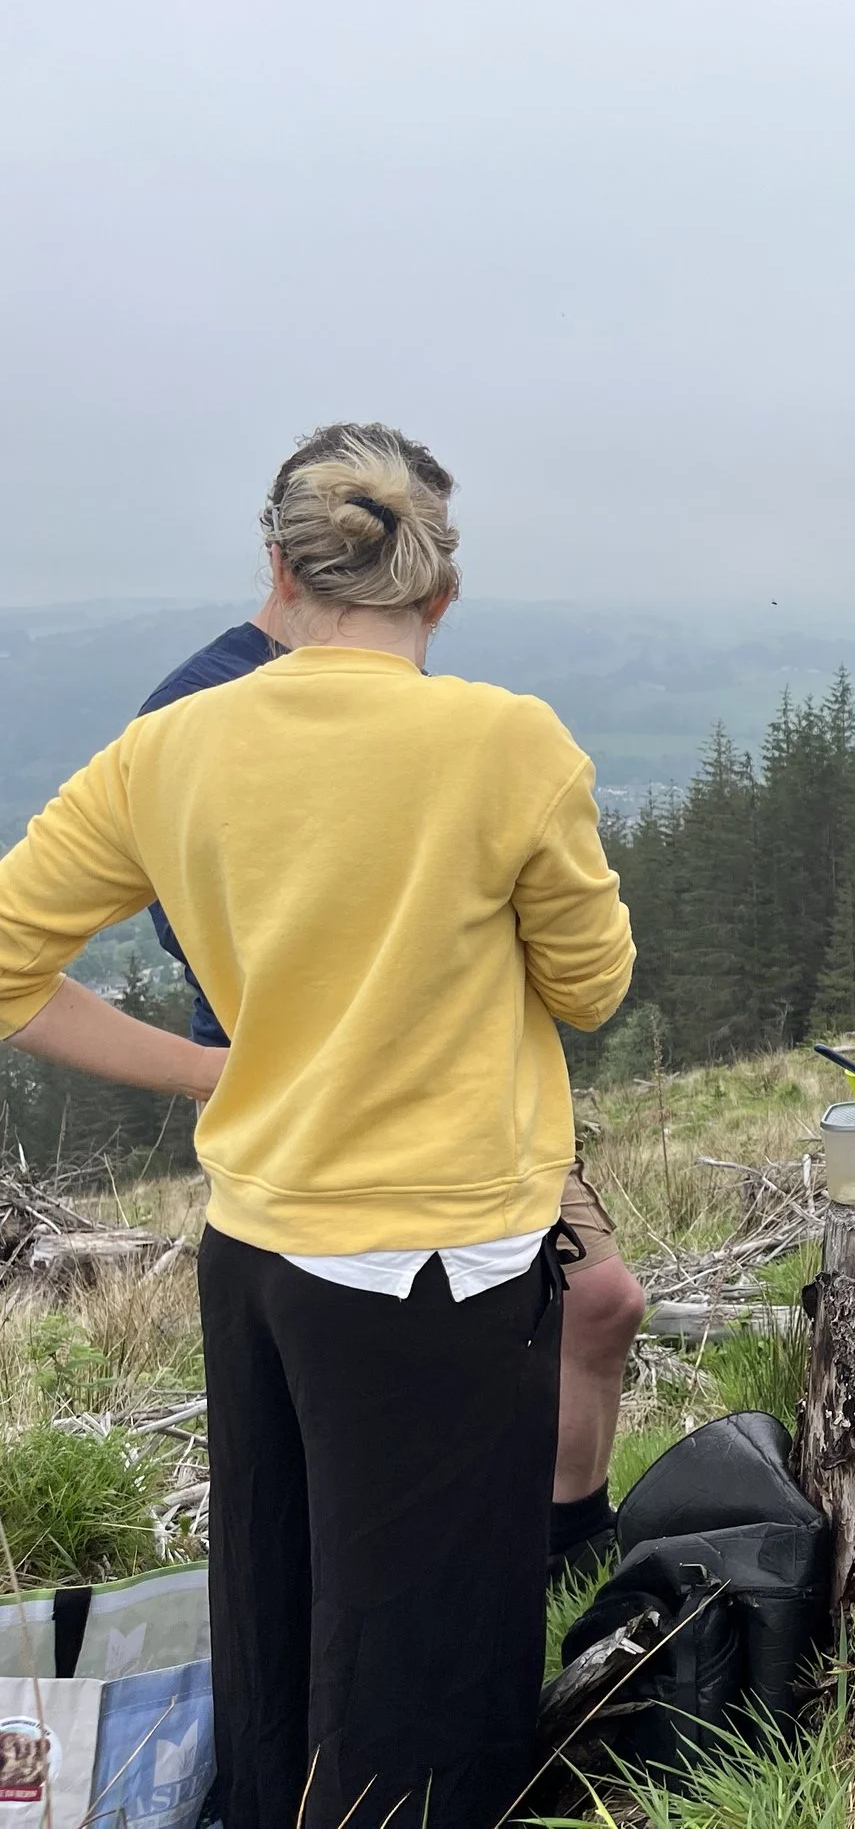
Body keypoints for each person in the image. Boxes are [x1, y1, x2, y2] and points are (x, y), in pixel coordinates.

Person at [0, 425, 636, 1829]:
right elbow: (592, 985)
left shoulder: (167, 749)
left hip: (257, 1243)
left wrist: (212, 1071)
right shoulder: (506, 741)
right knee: (430, 1659)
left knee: (278, 1607)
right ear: (441, 595)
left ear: (278, 570)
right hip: (445, 1259)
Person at [130, 454, 647, 1576]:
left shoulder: (432, 713)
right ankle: (474, 1589)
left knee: (599, 1301)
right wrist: (211, 1068)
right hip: (336, 1140)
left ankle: (564, 1553)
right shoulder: (199, 710)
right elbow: (228, 949)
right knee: (384, 1439)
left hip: (474, 1110)